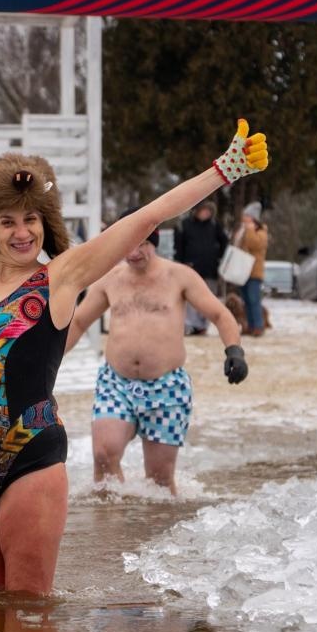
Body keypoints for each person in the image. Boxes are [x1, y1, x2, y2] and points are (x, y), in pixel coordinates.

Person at [0, 118, 267, 594]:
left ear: (45, 222)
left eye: (30, 219)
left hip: (30, 459)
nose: (21, 233)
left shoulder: (62, 277)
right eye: (7, 221)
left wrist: (223, 171)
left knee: (28, 614)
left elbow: (145, 219)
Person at [65, 210, 249, 495]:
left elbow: (220, 314)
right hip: (116, 384)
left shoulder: (179, 276)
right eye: (126, 246)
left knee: (159, 485)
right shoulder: (109, 279)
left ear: (155, 241)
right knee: (103, 459)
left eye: (141, 244)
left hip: (166, 387)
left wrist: (234, 352)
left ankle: (154, 536)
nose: (134, 253)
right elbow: (77, 322)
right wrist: (46, 362)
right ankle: (113, 532)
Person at [174, 200, 228, 335]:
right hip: (191, 267)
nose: (205, 213)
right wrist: (181, 263)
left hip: (210, 268)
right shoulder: (185, 225)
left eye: (208, 211)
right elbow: (179, 246)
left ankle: (203, 325)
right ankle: (191, 325)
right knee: (192, 298)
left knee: (208, 298)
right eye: (203, 210)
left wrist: (220, 257)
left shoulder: (215, 225)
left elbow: (224, 242)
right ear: (196, 211)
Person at [234, 201, 269, 337]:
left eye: (247, 215)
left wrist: (249, 230)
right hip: (242, 271)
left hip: (254, 271)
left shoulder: (261, 230)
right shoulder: (242, 229)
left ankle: (258, 326)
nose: (244, 218)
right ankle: (248, 325)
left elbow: (255, 244)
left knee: (254, 299)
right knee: (246, 300)